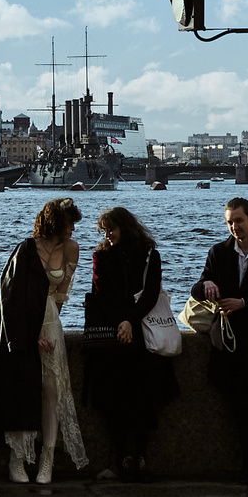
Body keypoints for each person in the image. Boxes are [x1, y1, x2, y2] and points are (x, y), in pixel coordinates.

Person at [0, 197, 86, 484]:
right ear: (55, 223)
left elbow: (62, 295)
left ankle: (47, 459)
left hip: (49, 319)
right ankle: (17, 458)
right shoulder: (27, 249)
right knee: (22, 389)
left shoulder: (72, 249)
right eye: (68, 224)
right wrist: (32, 332)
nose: (72, 230)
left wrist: (49, 326)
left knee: (51, 393)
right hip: (23, 325)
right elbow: (11, 295)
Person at [85, 206, 176, 481]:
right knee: (117, 400)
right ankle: (124, 457)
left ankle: (138, 456)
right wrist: (123, 322)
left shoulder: (150, 255)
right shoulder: (102, 256)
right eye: (104, 231)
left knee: (142, 399)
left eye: (111, 229)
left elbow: (151, 293)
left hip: (138, 335)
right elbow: (102, 296)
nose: (108, 235)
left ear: (125, 227)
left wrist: (128, 321)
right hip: (118, 337)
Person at [196, 195, 248, 487]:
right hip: (229, 346)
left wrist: (245, 302)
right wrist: (205, 283)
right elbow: (199, 287)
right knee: (239, 409)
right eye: (230, 222)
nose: (235, 228)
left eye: (239, 221)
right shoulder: (219, 253)